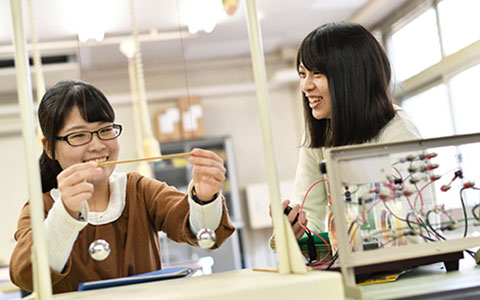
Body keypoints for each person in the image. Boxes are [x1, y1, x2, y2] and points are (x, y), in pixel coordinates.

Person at [9, 80, 235, 294]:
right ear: (49, 148)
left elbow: (203, 231)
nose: (97, 145)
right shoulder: (43, 207)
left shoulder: (139, 190)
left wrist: (204, 197)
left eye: (105, 130)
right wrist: (65, 214)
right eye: (78, 135)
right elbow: (28, 275)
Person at [282, 21, 421, 239]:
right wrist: (295, 230)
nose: (305, 86)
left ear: (351, 76)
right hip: (351, 268)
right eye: (302, 74)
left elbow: (409, 230)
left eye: (317, 73)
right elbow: (310, 216)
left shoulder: (397, 132)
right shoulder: (319, 134)